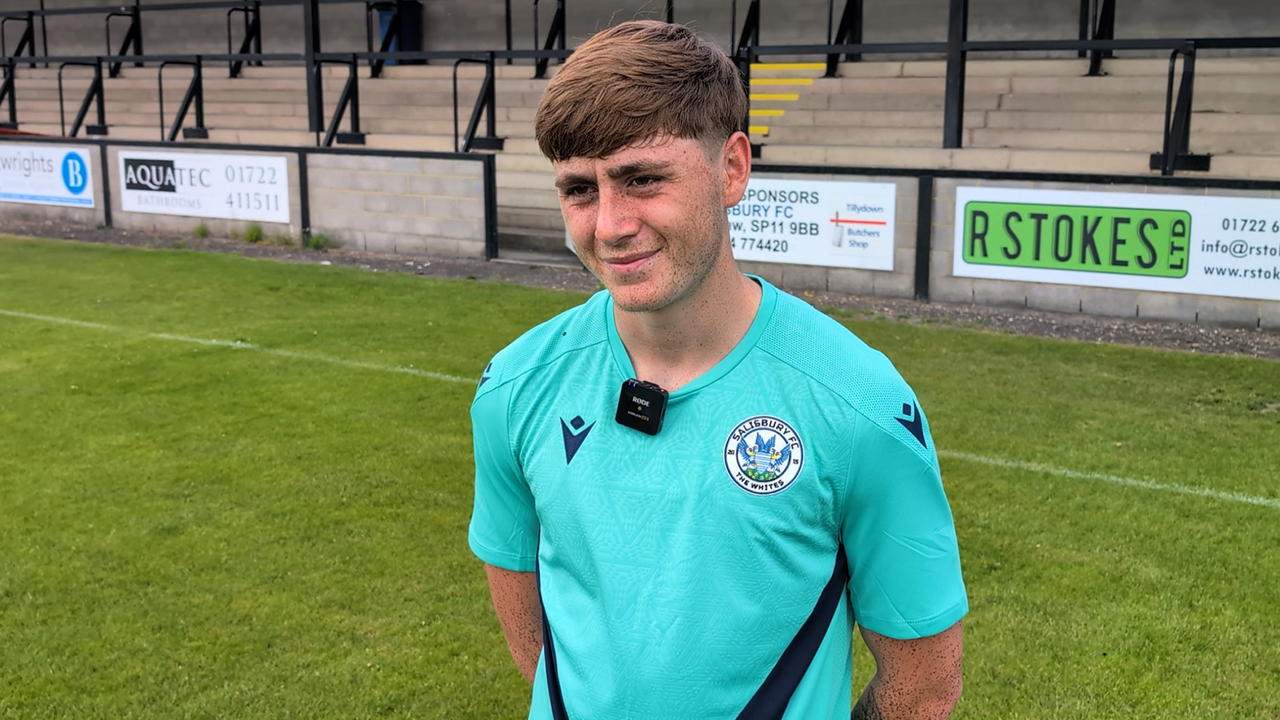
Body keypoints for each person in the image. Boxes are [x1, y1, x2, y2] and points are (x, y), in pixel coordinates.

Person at [468, 20, 967, 720]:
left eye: (643, 179)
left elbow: (925, 685)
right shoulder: (515, 386)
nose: (609, 225)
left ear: (732, 169)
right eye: (580, 189)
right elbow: (525, 609)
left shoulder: (859, 404)